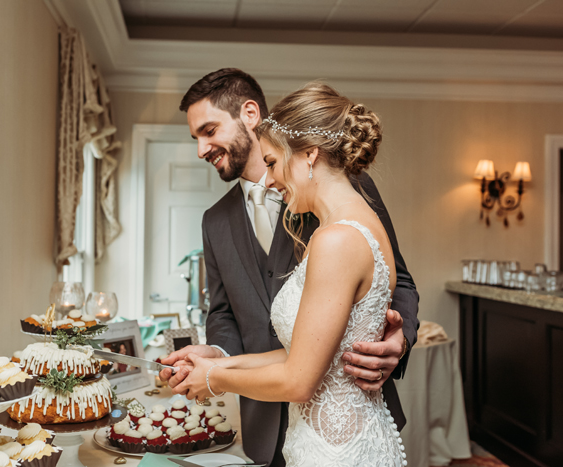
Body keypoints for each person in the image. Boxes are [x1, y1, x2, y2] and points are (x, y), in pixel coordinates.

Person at [160, 69, 419, 467]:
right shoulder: (215, 220)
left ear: (249, 113)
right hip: (267, 425)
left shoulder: (345, 188)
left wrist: (396, 342)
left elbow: (394, 278)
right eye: (196, 137)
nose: (201, 148)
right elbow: (224, 313)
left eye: (209, 130)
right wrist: (214, 358)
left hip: (342, 428)